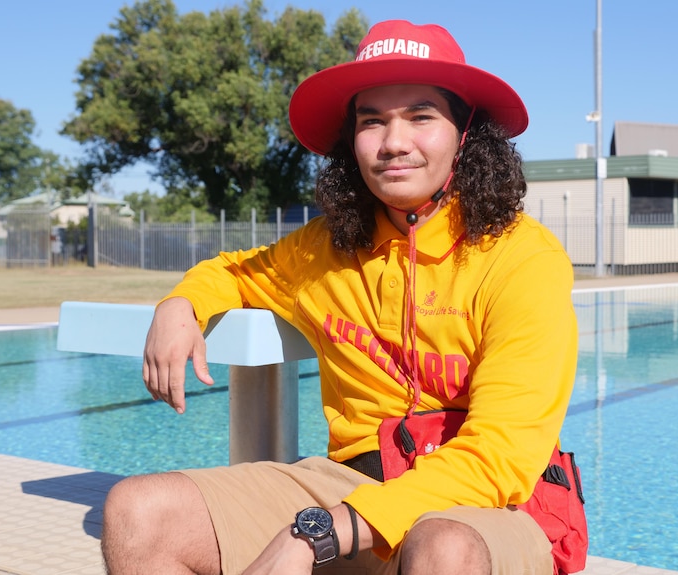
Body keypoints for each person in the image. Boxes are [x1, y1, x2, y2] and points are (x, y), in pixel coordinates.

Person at [101, 19, 579, 575]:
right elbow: (233, 272)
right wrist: (179, 304)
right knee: (139, 511)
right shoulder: (323, 250)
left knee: (441, 547)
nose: (394, 142)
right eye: (372, 121)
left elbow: (500, 454)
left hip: (486, 504)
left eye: (421, 117)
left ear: (465, 134)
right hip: (352, 480)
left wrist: (313, 535)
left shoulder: (523, 258)